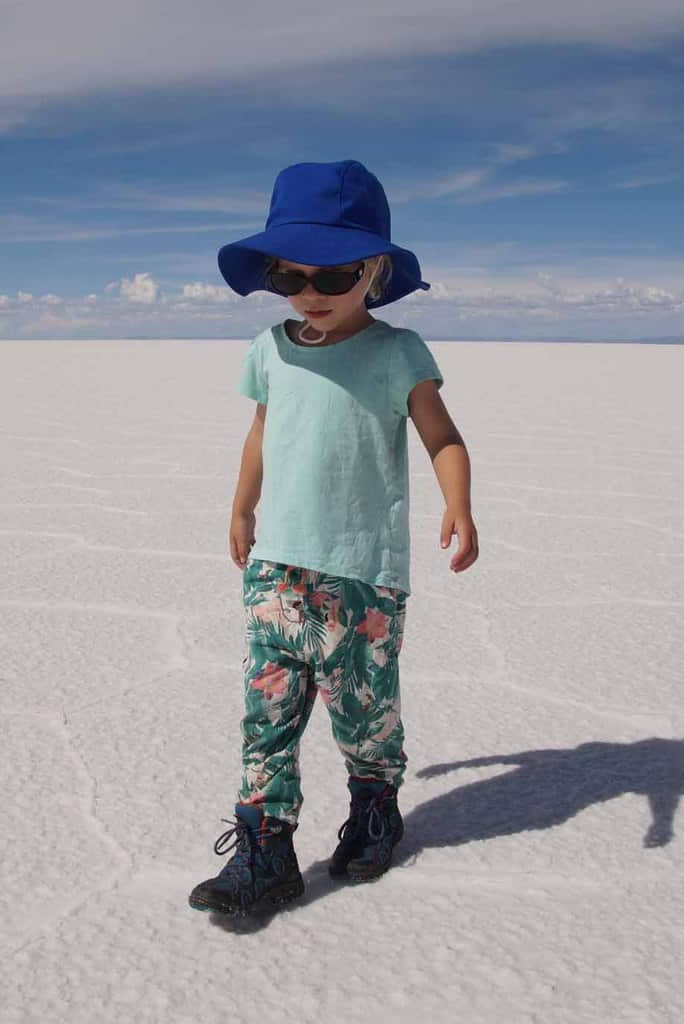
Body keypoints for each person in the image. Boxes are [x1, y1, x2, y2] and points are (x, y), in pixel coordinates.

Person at [189, 159, 478, 916]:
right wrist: (241, 505)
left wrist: (460, 503)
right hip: (278, 568)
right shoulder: (269, 349)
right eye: (292, 277)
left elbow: (442, 436)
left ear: (375, 271)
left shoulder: (396, 352)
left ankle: (375, 807)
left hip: (362, 576)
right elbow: (260, 432)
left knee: (364, 713)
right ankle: (265, 848)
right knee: (268, 714)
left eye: (335, 274)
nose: (311, 294)